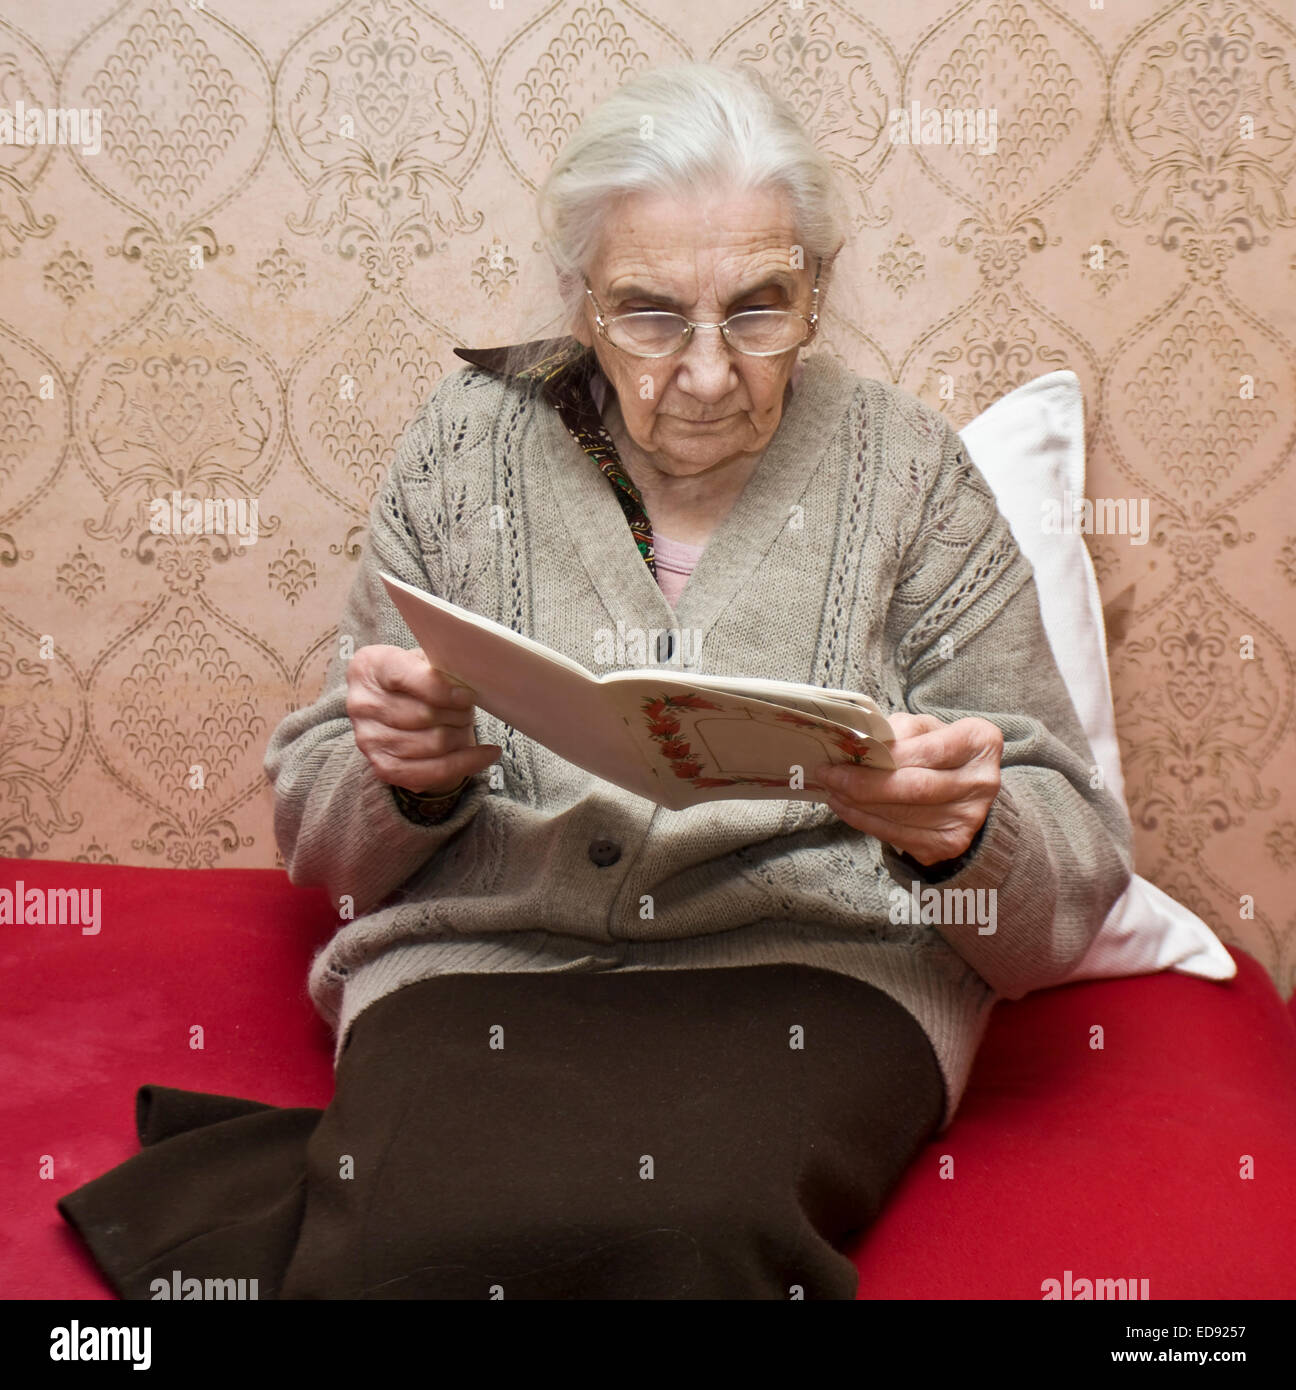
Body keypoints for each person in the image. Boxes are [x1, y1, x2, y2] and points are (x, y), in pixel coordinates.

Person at [58, 61, 1132, 1300]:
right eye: (652, 313)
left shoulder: (911, 473)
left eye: (761, 306)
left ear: (820, 292)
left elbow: (1067, 877)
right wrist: (397, 779)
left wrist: (968, 837)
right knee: (406, 1238)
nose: (712, 371)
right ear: (579, 299)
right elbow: (316, 834)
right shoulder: (464, 449)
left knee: (692, 1225)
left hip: (812, 967)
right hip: (484, 957)